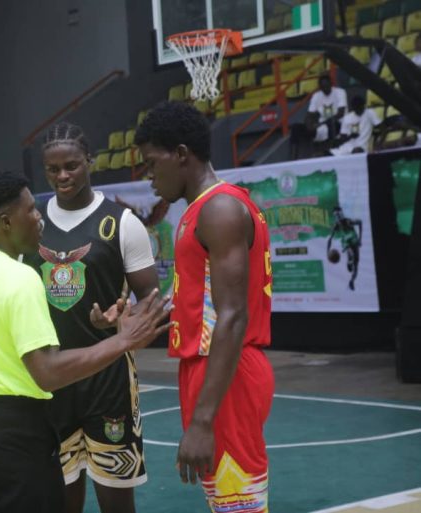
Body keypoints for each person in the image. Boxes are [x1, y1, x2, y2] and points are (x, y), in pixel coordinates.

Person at [0, 169, 171, 513]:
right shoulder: (20, 278)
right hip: (17, 432)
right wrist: (122, 341)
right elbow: (47, 372)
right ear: (6, 222)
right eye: (30, 210)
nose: (39, 218)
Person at [136, 101, 274, 512]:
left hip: (226, 371)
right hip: (212, 366)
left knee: (239, 503)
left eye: (151, 163)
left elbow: (232, 315)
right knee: (226, 501)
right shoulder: (205, 210)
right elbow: (207, 304)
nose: (148, 175)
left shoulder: (219, 209)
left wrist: (201, 421)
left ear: (181, 154)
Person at [28, 122, 159, 513]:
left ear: (90, 161)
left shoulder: (123, 222)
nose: (62, 176)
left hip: (109, 377)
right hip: (50, 377)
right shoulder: (31, 224)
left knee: (116, 502)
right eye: (53, 169)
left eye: (71, 166)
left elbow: (152, 303)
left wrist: (122, 318)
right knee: (59, 499)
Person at [292, 74, 347, 157]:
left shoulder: (340, 92)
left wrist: (322, 124)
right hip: (321, 127)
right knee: (296, 128)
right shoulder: (316, 96)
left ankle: (330, 152)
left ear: (331, 84)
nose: (325, 88)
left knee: (331, 123)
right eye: (323, 87)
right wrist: (309, 125)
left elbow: (341, 113)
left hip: (338, 124)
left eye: (327, 86)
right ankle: (293, 158)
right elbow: (309, 114)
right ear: (320, 87)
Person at [326, 205, 362, 291]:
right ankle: (350, 260)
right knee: (351, 253)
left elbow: (360, 222)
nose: (338, 216)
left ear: (341, 214)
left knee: (356, 264)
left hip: (353, 239)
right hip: (346, 242)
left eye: (339, 214)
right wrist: (327, 252)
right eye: (336, 215)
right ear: (335, 217)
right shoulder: (336, 226)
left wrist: (360, 238)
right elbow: (329, 239)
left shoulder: (348, 221)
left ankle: (352, 281)